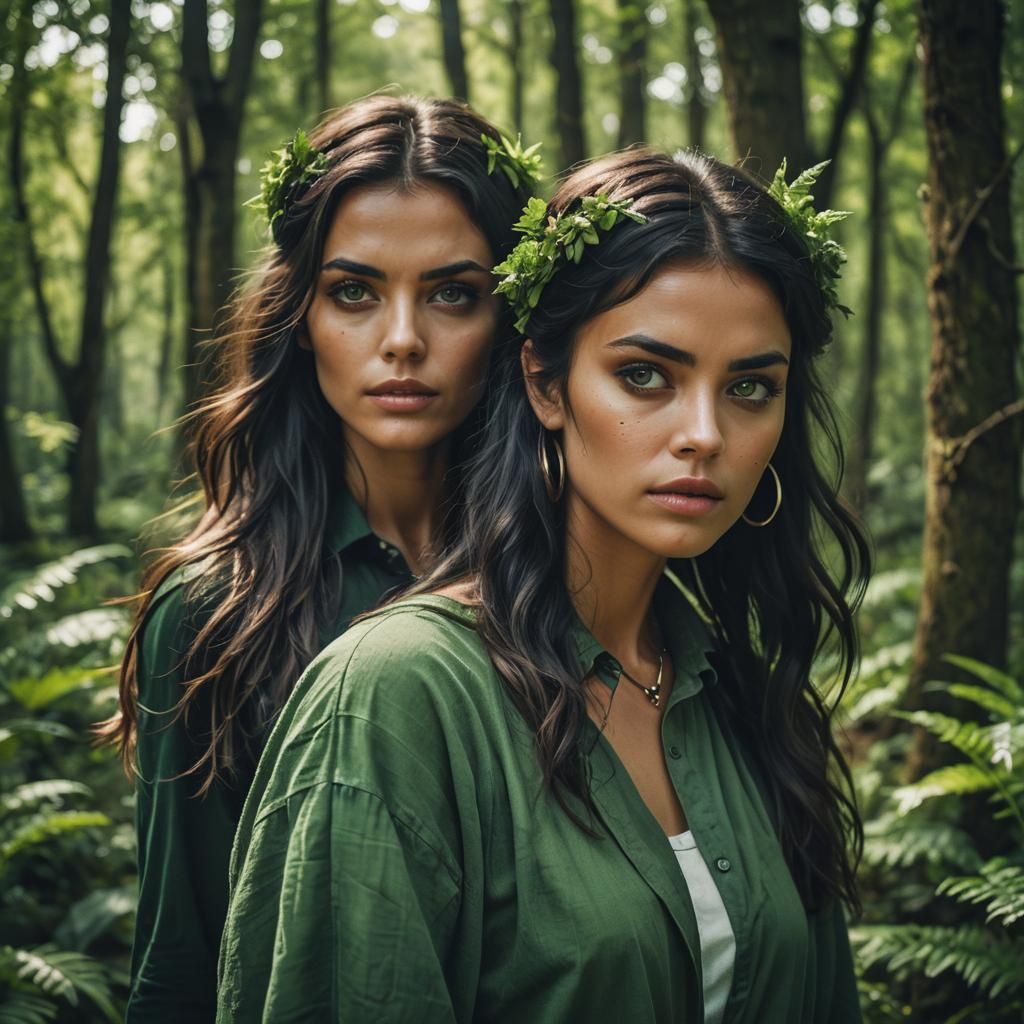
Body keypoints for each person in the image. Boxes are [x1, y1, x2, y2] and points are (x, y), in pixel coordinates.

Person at [216, 148, 871, 1023]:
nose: (705, 434)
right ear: (544, 382)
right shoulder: (395, 698)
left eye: (752, 386)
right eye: (646, 376)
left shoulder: (742, 697)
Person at [98, 94, 537, 1021]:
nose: (404, 339)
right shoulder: (218, 607)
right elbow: (183, 967)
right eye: (355, 292)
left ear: (511, 323)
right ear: (300, 316)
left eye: (454, 293)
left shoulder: (566, 575)